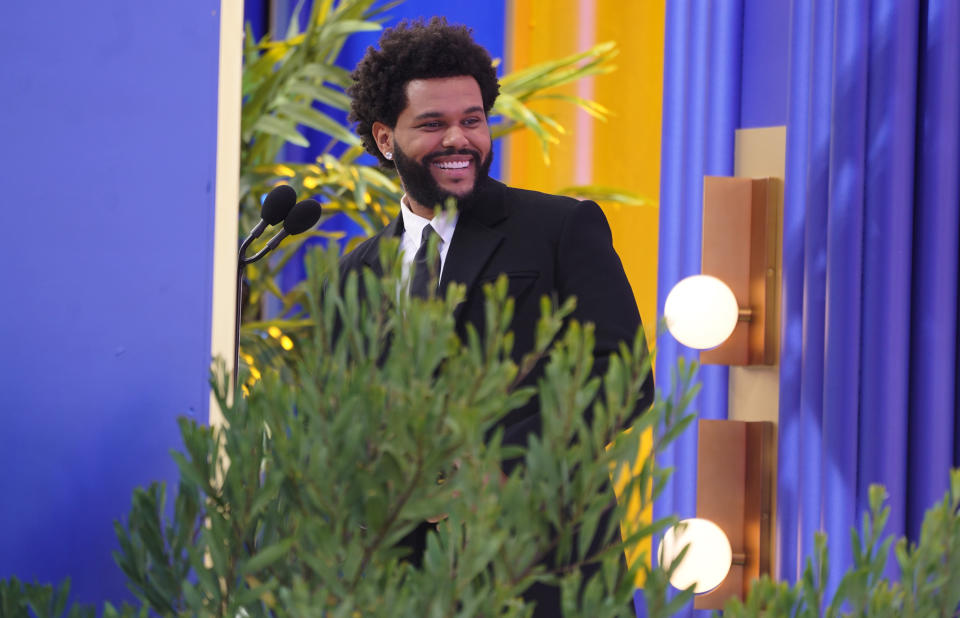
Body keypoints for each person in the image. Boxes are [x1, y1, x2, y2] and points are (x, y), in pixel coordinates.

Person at [340, 17, 653, 615]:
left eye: (473, 119)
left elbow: (624, 380)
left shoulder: (560, 229)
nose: (459, 139)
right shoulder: (358, 272)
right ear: (385, 139)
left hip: (548, 578)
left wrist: (492, 473)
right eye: (433, 124)